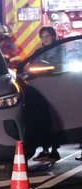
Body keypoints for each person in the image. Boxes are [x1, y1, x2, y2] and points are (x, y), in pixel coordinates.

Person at [32, 26, 61, 161]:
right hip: (42, 89)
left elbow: (60, 66)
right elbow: (32, 65)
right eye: (42, 37)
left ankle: (54, 150)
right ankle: (44, 149)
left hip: (57, 88)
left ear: (53, 36)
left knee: (55, 119)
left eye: (47, 36)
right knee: (43, 119)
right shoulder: (38, 52)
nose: (45, 39)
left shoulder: (60, 49)